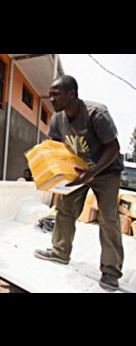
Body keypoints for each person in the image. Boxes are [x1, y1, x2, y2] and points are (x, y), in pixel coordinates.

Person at [34, 75, 124, 291]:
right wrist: (48, 170)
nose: (51, 99)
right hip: (78, 168)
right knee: (64, 208)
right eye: (50, 95)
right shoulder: (57, 119)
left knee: (108, 218)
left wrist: (91, 173)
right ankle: (60, 252)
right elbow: (54, 147)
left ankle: (111, 271)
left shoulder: (96, 114)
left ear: (72, 95)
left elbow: (113, 148)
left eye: (56, 94)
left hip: (106, 169)